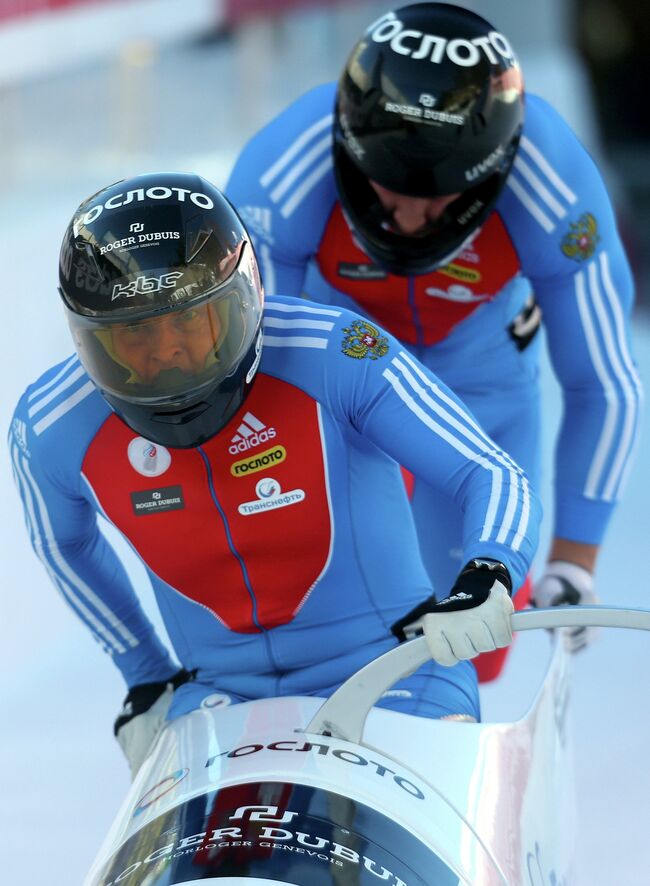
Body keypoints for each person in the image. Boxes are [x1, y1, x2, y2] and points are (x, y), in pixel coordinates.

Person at [9, 172, 541, 777]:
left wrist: (488, 572)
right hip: (217, 696)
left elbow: (489, 471)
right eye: (135, 335)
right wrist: (146, 676)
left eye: (190, 324)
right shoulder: (50, 426)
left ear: (242, 300)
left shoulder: (338, 353)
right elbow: (63, 543)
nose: (168, 358)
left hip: (392, 668)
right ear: (90, 339)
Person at [225, 2, 644, 663]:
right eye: (388, 186)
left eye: (441, 193)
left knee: (475, 643)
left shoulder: (555, 184)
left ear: (494, 169)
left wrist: (574, 560)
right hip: (344, 385)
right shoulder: (281, 174)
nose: (413, 217)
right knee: (333, 627)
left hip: (481, 386)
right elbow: (255, 369)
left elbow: (603, 384)